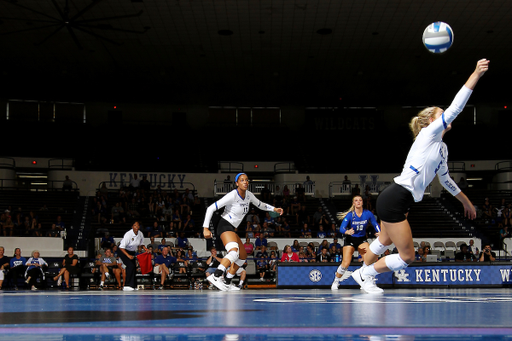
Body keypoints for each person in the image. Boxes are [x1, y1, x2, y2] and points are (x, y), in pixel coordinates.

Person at [351, 59, 488, 294]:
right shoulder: (428, 134)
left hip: (400, 200)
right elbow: (456, 108)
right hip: (395, 198)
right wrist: (475, 74)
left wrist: (465, 200)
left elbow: (445, 180)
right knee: (407, 257)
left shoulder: (442, 149)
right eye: (442, 114)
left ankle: (363, 274)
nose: (447, 116)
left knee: (384, 241)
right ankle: (365, 274)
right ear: (432, 121)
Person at [203, 173, 283, 291]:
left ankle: (227, 280)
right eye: (242, 180)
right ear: (236, 183)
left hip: (232, 228)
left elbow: (261, 205)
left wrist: (274, 209)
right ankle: (216, 276)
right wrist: (205, 227)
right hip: (224, 225)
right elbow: (211, 208)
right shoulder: (232, 195)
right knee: (234, 252)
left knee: (242, 256)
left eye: (246, 180)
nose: (245, 182)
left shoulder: (249, 195)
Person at [331, 195, 380, 290]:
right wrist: (347, 232)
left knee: (370, 260)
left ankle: (366, 280)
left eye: (360, 200)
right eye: (356, 200)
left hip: (361, 239)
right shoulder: (350, 215)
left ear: (362, 202)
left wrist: (379, 232)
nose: (358, 202)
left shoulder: (368, 213)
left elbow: (375, 223)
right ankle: (336, 281)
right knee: (346, 263)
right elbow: (341, 228)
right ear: (353, 203)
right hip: (350, 239)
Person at [118, 221, 149, 291]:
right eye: (135, 225)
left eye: (138, 226)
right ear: (132, 227)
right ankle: (126, 285)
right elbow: (121, 247)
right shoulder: (128, 234)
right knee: (130, 266)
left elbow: (141, 243)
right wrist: (128, 255)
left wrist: (145, 249)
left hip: (131, 251)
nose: (136, 227)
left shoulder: (140, 234)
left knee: (134, 267)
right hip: (123, 250)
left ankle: (133, 285)